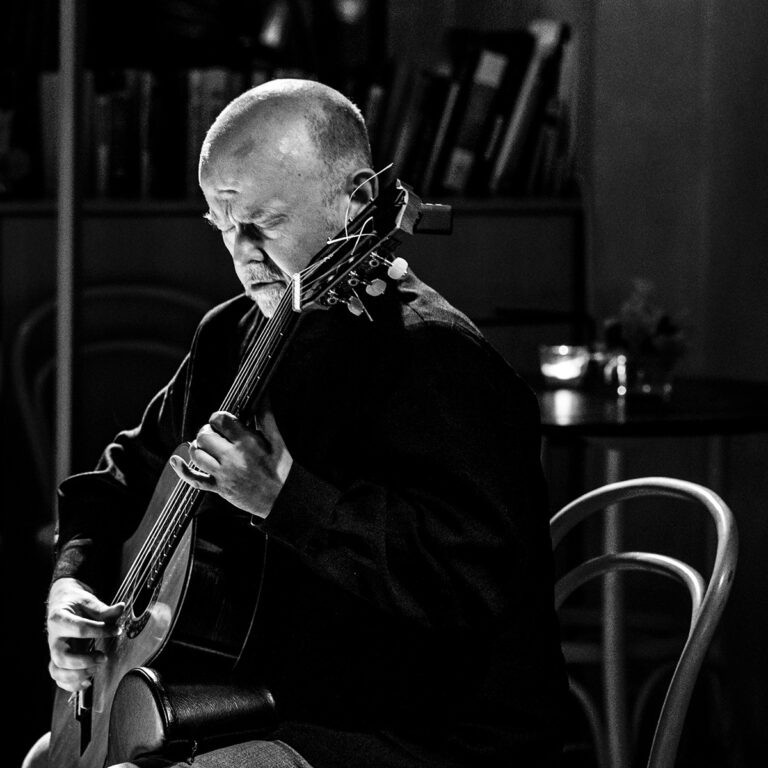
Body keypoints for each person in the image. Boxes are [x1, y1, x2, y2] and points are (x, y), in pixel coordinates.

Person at [23, 79, 567, 768]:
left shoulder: (438, 357)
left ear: (358, 200)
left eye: (266, 223)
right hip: (266, 704)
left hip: (423, 734)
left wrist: (285, 499)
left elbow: (470, 585)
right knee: (46, 758)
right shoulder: (230, 335)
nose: (243, 254)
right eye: (225, 228)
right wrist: (72, 583)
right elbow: (118, 480)